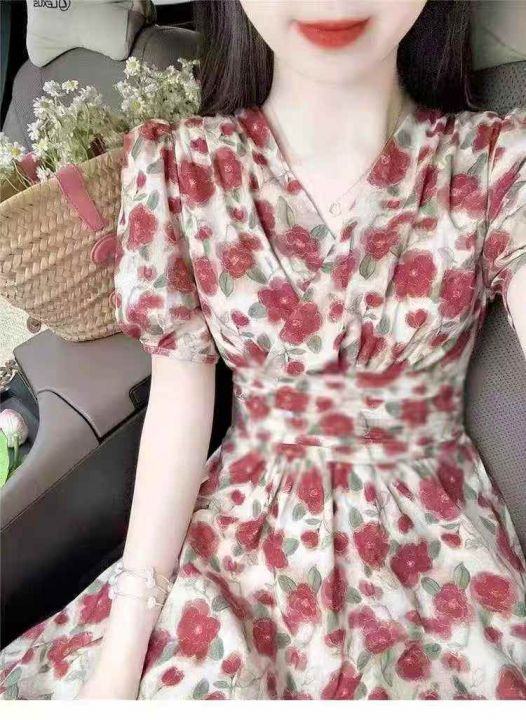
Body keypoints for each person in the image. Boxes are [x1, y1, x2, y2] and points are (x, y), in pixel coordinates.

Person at [1, 0, 526, 701]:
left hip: (434, 556)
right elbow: (178, 409)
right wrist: (123, 647)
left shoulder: (494, 161)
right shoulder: (178, 167)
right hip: (239, 535)